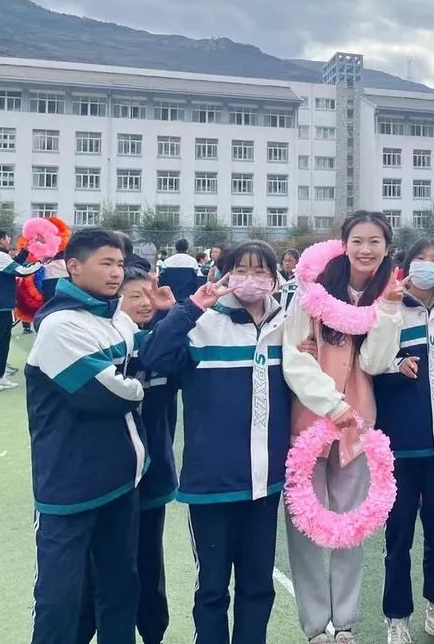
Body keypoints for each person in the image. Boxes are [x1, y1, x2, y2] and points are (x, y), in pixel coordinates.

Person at [138, 240, 292, 644]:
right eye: (241, 269)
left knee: (258, 584)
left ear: (275, 279)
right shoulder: (204, 323)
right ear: (223, 275)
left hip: (265, 480)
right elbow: (153, 357)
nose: (251, 279)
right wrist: (188, 309)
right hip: (211, 482)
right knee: (212, 587)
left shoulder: (287, 324)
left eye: (261, 271)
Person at [281, 212, 406, 644]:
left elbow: (374, 362)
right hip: (310, 421)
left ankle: (345, 622)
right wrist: (330, 405)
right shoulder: (312, 293)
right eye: (358, 240)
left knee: (351, 524)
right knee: (306, 527)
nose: (366, 250)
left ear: (386, 248)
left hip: (358, 425)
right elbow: (294, 357)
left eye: (375, 241)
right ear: (344, 244)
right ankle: (316, 625)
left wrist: (388, 310)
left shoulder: (386, 293)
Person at [25, 228, 147, 643]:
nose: (116, 273)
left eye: (120, 264)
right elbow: (107, 394)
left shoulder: (115, 317)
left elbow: (145, 354)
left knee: (120, 588)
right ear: (73, 267)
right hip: (69, 486)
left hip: (121, 480)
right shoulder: (60, 325)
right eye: (106, 263)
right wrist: (140, 386)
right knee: (60, 599)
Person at [77, 265, 178, 644]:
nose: (145, 303)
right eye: (134, 295)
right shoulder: (100, 347)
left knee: (149, 561)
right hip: (111, 479)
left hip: (153, 476)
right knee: (101, 567)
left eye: (149, 295)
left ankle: (153, 631)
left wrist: (172, 314)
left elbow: (181, 349)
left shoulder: (165, 346)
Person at [376, 239, 434, 644]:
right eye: (420, 259)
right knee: (398, 536)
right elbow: (368, 360)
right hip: (398, 445)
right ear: (406, 265)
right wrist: (395, 365)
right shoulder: (389, 306)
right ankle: (396, 618)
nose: (428, 266)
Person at [0, 228, 41, 392]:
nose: (9, 241)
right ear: (1, 240)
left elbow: (14, 264)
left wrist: (26, 250)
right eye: (7, 238)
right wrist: (41, 264)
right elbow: (22, 271)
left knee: (2, 342)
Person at [157, 238, 202, 303]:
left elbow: (161, 279)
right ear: (187, 248)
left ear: (176, 248)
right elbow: (197, 279)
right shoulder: (193, 261)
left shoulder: (167, 261)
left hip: (171, 296)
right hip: (188, 295)